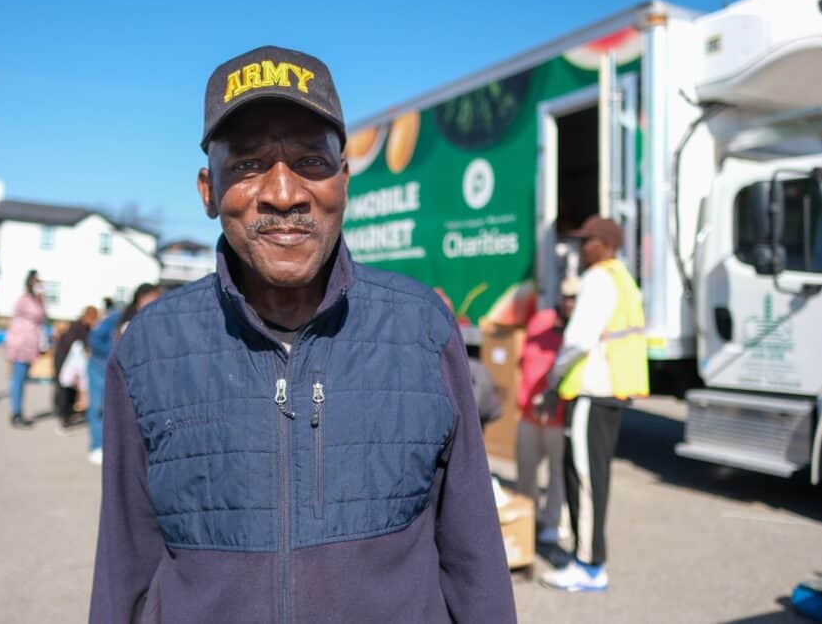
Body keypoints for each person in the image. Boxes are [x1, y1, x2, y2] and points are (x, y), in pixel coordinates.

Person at [89, 45, 515, 623]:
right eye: (246, 164)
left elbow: (476, 564)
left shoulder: (421, 331)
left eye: (311, 162)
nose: (283, 194)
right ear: (208, 191)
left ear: (344, 180)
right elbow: (123, 572)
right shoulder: (150, 349)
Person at [540, 216, 649, 593]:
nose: (582, 247)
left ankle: (587, 564)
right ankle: (589, 558)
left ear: (603, 244)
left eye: (587, 241)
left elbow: (578, 338)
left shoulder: (599, 279)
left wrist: (553, 379)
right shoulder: (623, 278)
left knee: (583, 478)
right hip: (611, 389)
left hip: (590, 390)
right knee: (595, 476)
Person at [515, 276, 579, 546]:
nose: (569, 302)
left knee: (556, 473)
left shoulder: (580, 331)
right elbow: (523, 361)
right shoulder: (541, 321)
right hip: (530, 412)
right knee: (526, 471)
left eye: (575, 298)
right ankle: (527, 520)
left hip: (557, 416)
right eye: (566, 296)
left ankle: (552, 523)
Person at [86, 284, 161, 465]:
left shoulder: (155, 319)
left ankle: (118, 448)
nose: (155, 303)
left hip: (130, 371)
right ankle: (97, 446)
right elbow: (95, 339)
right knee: (98, 406)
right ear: (140, 299)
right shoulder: (117, 318)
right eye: (151, 299)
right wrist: (113, 352)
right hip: (101, 365)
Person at [4, 270, 46, 428]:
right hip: (21, 344)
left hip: (30, 345)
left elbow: (42, 317)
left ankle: (18, 410)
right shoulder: (24, 300)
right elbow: (35, 316)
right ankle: (16, 412)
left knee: (22, 379)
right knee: (18, 379)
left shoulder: (37, 300)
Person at [53, 305, 99, 433]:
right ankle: (63, 415)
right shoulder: (78, 327)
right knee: (64, 387)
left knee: (72, 388)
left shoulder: (84, 328)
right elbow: (85, 345)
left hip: (72, 362)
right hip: (64, 358)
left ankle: (69, 412)